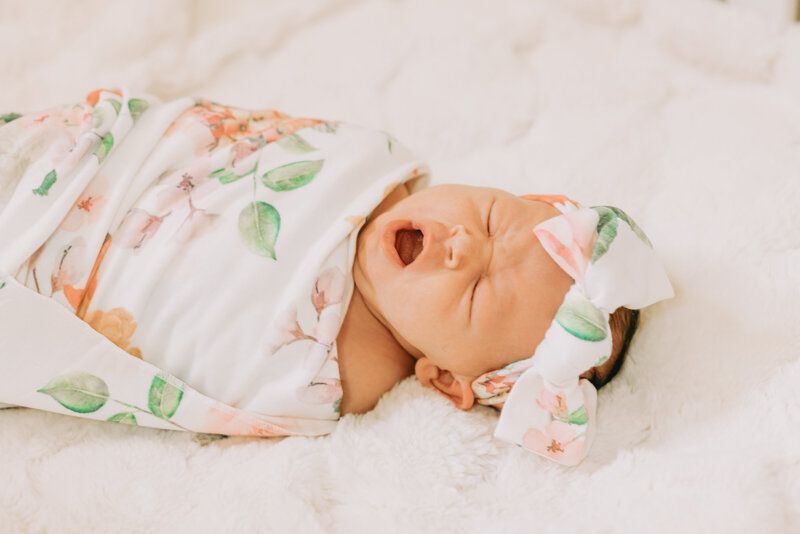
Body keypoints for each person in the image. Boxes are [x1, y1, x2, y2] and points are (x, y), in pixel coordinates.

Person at [0, 88, 672, 465]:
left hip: (46, 265)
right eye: (495, 219)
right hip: (76, 163)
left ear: (446, 378)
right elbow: (223, 132)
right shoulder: (372, 162)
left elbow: (195, 349)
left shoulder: (330, 378)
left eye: (475, 291)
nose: (464, 247)